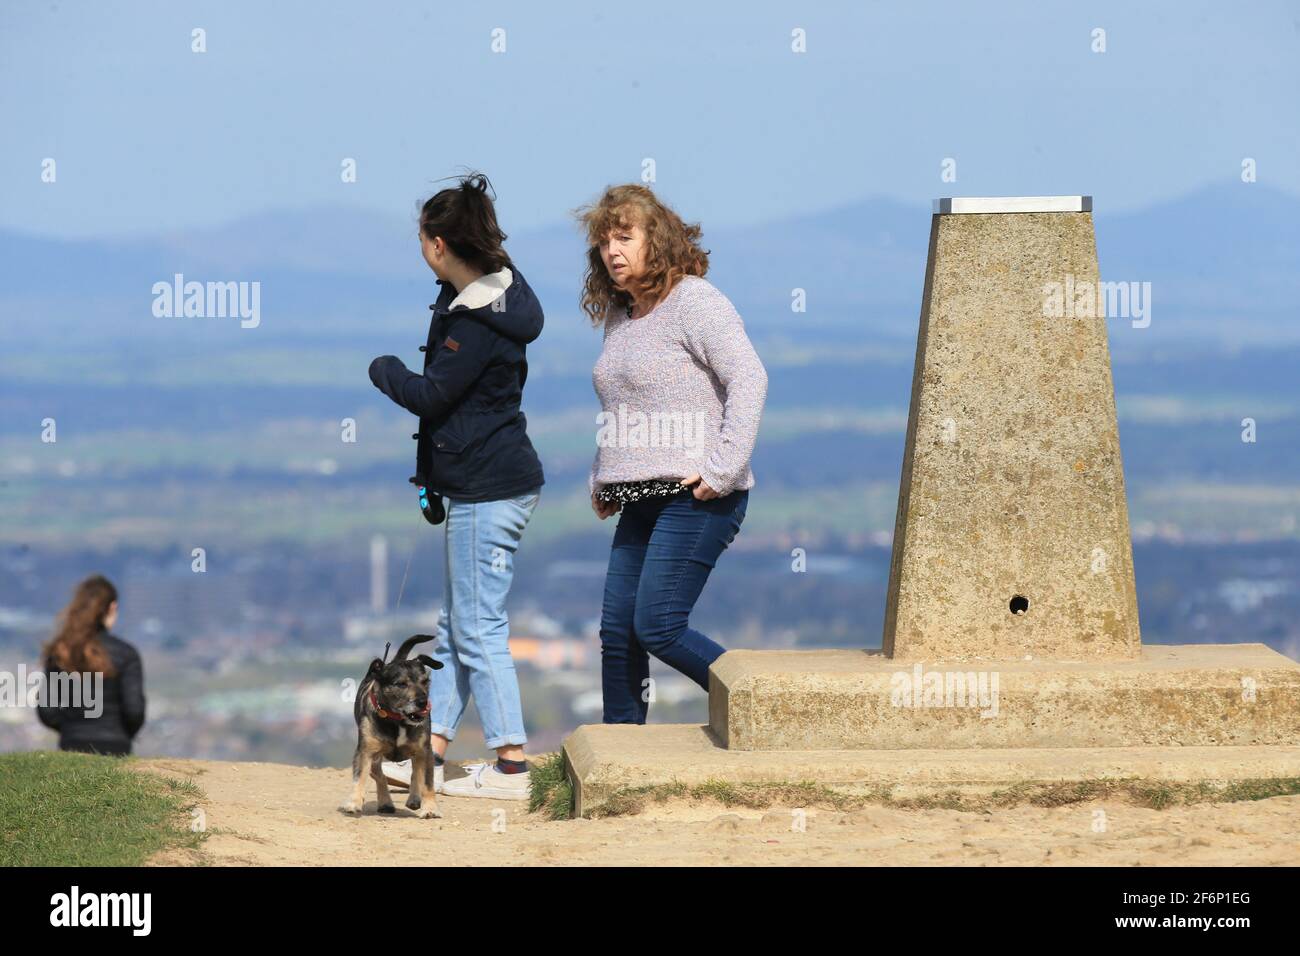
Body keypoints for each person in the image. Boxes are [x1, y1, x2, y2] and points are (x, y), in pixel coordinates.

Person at [368, 172, 544, 800]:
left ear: (439, 244)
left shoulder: (473, 323)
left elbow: (434, 393)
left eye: (425, 241)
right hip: (491, 481)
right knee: (458, 624)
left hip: (487, 489)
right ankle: (432, 752)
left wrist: (383, 369)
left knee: (477, 629)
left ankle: (511, 765)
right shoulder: (498, 293)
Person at [575, 183, 767, 723]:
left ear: (655, 240)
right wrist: (603, 476)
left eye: (625, 237)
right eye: (604, 242)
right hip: (639, 497)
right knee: (618, 631)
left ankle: (765, 707)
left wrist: (723, 469)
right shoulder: (622, 316)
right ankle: (619, 756)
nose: (612, 251)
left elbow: (749, 379)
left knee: (657, 624)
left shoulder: (695, 302)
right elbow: (624, 405)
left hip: (697, 495)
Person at [36, 574, 146, 755]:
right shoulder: (127, 654)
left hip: (72, 745)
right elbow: (134, 711)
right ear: (112, 607)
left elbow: (47, 711)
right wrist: (123, 734)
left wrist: (71, 728)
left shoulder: (61, 651)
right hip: (117, 747)